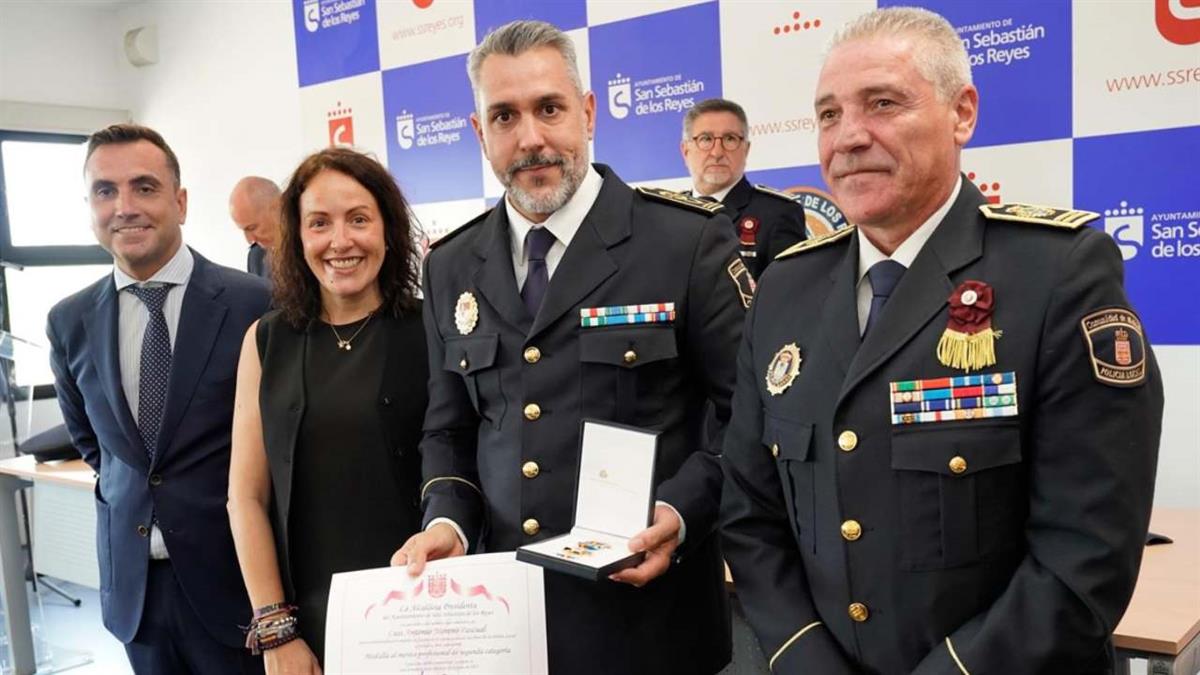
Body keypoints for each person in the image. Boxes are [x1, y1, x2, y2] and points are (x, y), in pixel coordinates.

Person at [721, 7, 1163, 674]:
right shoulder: (785, 290)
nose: (849, 136)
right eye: (829, 114)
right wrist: (803, 657)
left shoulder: (1058, 274)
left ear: (962, 113)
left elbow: (1086, 555)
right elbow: (750, 514)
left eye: (882, 103)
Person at [391, 19, 743, 675]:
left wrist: (682, 509)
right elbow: (450, 426)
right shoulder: (451, 264)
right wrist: (448, 524)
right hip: (507, 620)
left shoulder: (685, 241)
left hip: (650, 619)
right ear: (479, 134)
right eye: (504, 116)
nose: (531, 138)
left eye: (549, 108)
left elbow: (746, 414)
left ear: (586, 113)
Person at [46, 123, 270, 674]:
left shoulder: (255, 305)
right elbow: (96, 446)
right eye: (105, 191)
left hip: (236, 589)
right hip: (136, 598)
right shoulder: (69, 320)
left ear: (180, 201)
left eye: (144, 187)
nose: (124, 207)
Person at [227, 147, 427, 671]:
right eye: (319, 223)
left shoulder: (435, 331)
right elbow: (245, 497)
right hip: (308, 623)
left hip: (423, 610)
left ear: (387, 228)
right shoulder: (267, 340)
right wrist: (275, 630)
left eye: (359, 219)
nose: (340, 241)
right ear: (297, 236)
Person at [680, 97, 807, 280]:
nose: (717, 153)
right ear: (685, 151)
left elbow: (790, 296)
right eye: (705, 139)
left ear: (746, 149)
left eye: (729, 139)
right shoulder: (668, 213)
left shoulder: (778, 213)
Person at [229, 176, 281, 278]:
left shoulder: (312, 243)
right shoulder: (256, 257)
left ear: (278, 207)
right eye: (244, 230)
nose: (250, 240)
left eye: (252, 228)